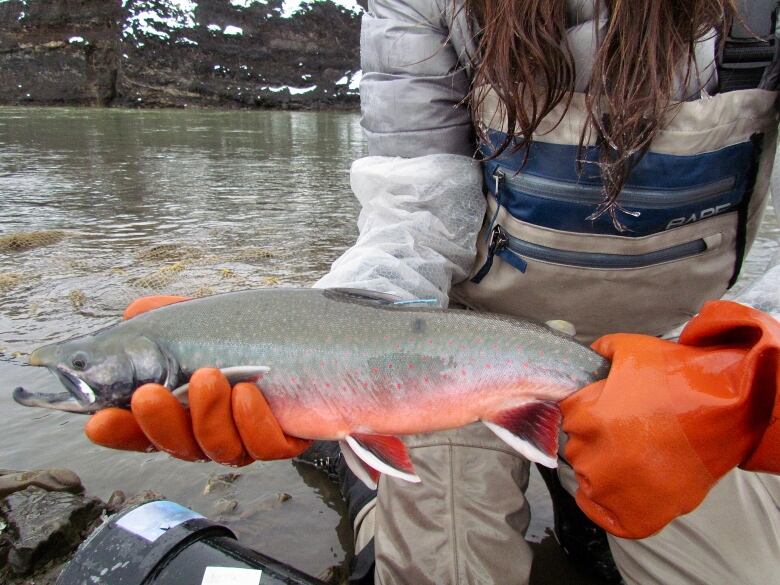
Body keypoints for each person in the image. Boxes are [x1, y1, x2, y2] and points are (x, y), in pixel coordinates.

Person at [85, 1, 780, 583]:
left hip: (678, 362)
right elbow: (414, 220)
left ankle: (573, 491)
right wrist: (329, 352)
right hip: (450, 348)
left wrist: (743, 382)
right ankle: (368, 479)